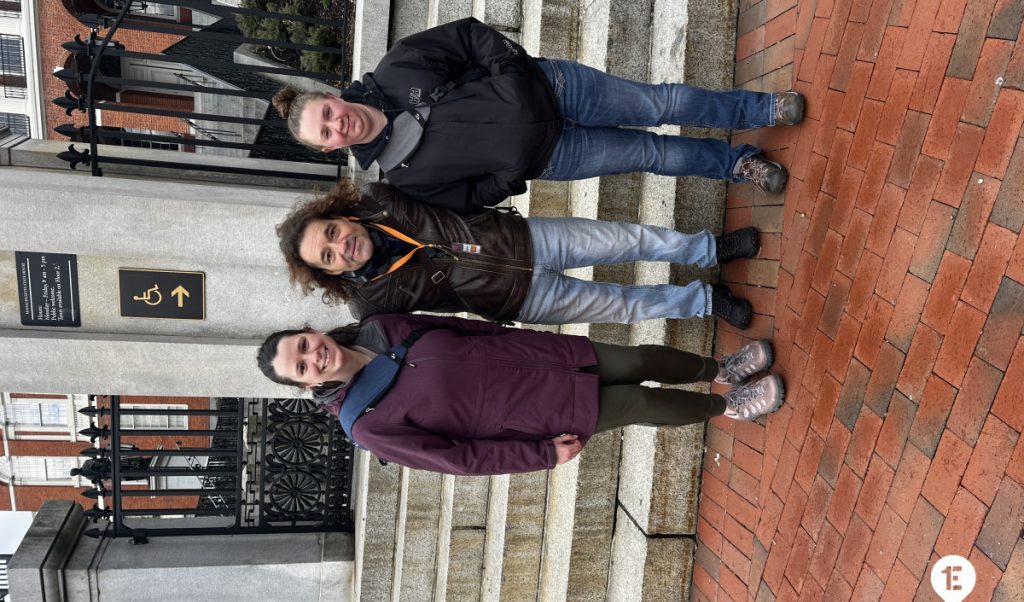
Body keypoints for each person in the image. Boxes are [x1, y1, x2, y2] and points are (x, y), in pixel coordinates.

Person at [271, 18, 804, 213]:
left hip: (557, 88)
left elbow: (468, 36)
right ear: (328, 148)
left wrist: (513, 71)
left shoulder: (395, 67)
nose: (338, 124)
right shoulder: (402, 178)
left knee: (660, 103)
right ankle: (739, 165)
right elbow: (468, 199)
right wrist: (509, 176)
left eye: (328, 112)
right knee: (653, 153)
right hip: (555, 157)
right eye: (327, 133)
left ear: (333, 97)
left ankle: (759, 108)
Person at [257, 313, 785, 475]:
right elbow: (457, 459)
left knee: (640, 358)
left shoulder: (379, 327)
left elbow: (456, 327)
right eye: (301, 366)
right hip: (535, 412)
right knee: (641, 404)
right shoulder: (366, 423)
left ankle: (720, 368)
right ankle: (728, 405)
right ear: (306, 384)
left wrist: (526, 337)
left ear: (312, 331)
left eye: (304, 345)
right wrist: (538, 454)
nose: (313, 356)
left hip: (539, 359)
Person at [278, 179, 762, 329]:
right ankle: (704, 301)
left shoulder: (378, 199)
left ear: (340, 215)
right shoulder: (369, 306)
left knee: (630, 238)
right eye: (328, 256)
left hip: (526, 238)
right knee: (624, 306)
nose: (341, 247)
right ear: (330, 273)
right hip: (519, 300)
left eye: (333, 232)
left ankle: (712, 248)